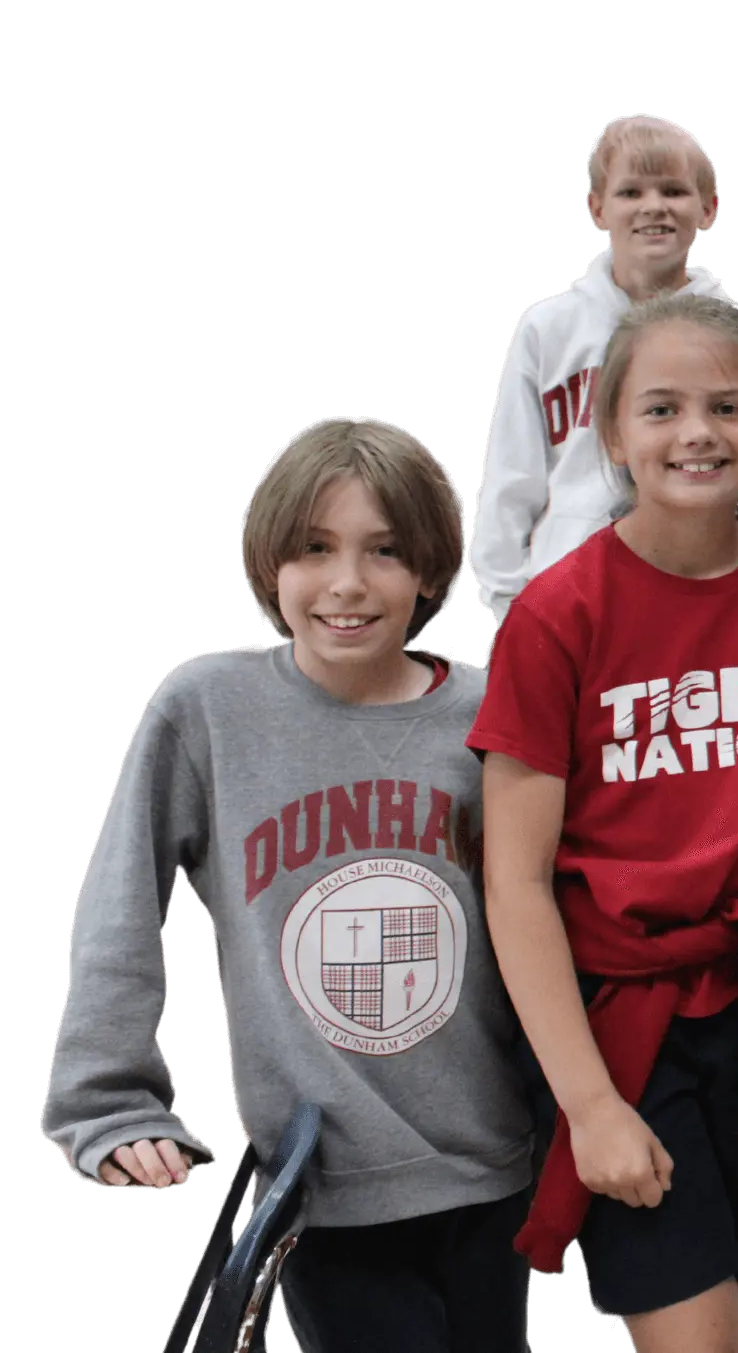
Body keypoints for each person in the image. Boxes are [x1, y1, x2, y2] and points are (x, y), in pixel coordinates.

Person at [43, 417, 534, 1353]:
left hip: (496, 1165)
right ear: (270, 563)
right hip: (327, 1180)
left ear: (432, 570)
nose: (347, 582)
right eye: (314, 548)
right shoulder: (208, 707)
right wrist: (109, 1102)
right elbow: (118, 906)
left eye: (384, 551)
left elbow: (555, 905)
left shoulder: (488, 708)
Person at [468, 296, 738, 1352]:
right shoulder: (556, 614)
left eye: (727, 407)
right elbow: (515, 882)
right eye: (662, 408)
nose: (695, 433)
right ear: (612, 434)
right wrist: (587, 1106)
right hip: (616, 1020)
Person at [470, 114, 738, 626]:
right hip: (566, 598)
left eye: (674, 191)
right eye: (631, 192)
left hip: (701, 594)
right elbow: (511, 477)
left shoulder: (734, 329)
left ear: (709, 209)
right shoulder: (547, 328)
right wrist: (510, 606)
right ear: (597, 208)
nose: (654, 206)